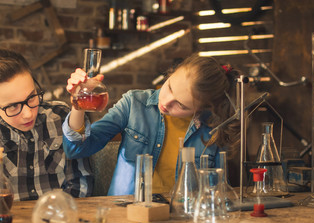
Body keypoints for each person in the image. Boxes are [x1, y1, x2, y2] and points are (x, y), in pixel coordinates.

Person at [62, 54, 240, 196]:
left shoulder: (215, 127)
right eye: (169, 87)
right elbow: (77, 149)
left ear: (203, 107)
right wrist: (78, 104)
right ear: (171, 74)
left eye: (181, 105)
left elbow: (218, 192)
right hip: (126, 213)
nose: (165, 102)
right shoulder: (134, 103)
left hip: (184, 218)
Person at [0, 49, 93, 201]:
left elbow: (80, 183)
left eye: (31, 98)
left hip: (61, 217)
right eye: (13, 107)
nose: (28, 113)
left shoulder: (59, 115)